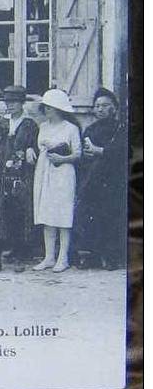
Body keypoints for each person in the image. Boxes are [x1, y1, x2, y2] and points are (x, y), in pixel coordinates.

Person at [0, 85, 40, 273]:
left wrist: (29, 149)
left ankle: (19, 257)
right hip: (1, 172)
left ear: (21, 103)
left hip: (19, 174)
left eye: (13, 102)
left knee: (18, 214)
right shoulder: (3, 122)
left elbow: (33, 147)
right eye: (7, 102)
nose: (9, 106)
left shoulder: (29, 124)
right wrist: (0, 132)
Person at [74, 88, 128, 270]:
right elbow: (83, 156)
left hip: (114, 181)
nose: (100, 109)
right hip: (93, 180)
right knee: (91, 217)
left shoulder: (121, 129)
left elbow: (125, 152)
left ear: (114, 108)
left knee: (111, 217)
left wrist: (102, 151)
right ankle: (93, 255)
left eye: (105, 105)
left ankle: (110, 256)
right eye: (97, 106)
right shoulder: (90, 129)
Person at [32, 88, 82, 273]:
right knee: (47, 214)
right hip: (44, 171)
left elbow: (78, 154)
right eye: (45, 107)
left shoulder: (71, 128)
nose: (47, 111)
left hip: (63, 172)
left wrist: (62, 158)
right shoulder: (43, 127)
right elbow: (39, 148)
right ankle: (49, 257)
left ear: (59, 109)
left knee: (62, 214)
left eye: (50, 108)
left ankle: (63, 258)